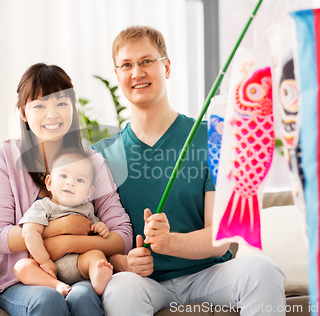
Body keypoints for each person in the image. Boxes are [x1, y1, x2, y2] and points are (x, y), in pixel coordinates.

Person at [93, 26, 286, 316]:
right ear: (117, 74)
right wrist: (124, 264)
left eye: (147, 61)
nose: (137, 72)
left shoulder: (210, 137)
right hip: (144, 283)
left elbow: (219, 240)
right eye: (127, 65)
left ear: (166, 67)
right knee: (120, 289)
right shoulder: (101, 156)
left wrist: (170, 242)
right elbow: (97, 240)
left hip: (207, 276)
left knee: (262, 270)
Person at [0, 63, 132, 316]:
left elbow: (123, 235)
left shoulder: (92, 161)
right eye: (40, 105)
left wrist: (69, 243)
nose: (52, 114)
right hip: (20, 281)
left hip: (78, 273)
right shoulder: (3, 157)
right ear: (24, 113)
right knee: (47, 299)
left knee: (83, 296)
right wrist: (62, 227)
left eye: (61, 103)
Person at [15, 149, 114, 297]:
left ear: (89, 192)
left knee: (96, 255)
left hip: (78, 262)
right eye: (63, 176)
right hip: (48, 267)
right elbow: (29, 233)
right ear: (49, 182)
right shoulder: (43, 206)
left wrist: (101, 227)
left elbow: (94, 228)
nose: (70, 183)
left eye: (80, 180)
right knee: (22, 267)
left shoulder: (87, 208)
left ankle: (98, 277)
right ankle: (56, 285)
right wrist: (45, 261)